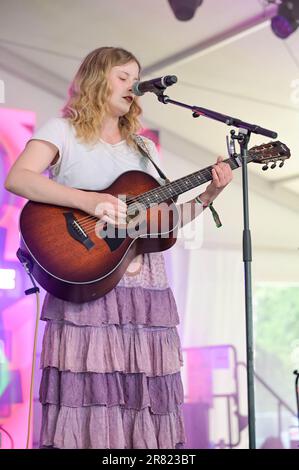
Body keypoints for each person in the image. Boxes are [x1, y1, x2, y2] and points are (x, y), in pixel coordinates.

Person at [4, 46, 233, 449]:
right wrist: (87, 201)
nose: (132, 86)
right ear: (97, 79)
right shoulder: (63, 130)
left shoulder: (142, 149)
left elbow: (163, 222)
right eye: (123, 77)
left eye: (136, 79)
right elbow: (19, 179)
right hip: (87, 271)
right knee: (89, 392)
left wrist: (209, 194)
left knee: (139, 400)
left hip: (142, 290)